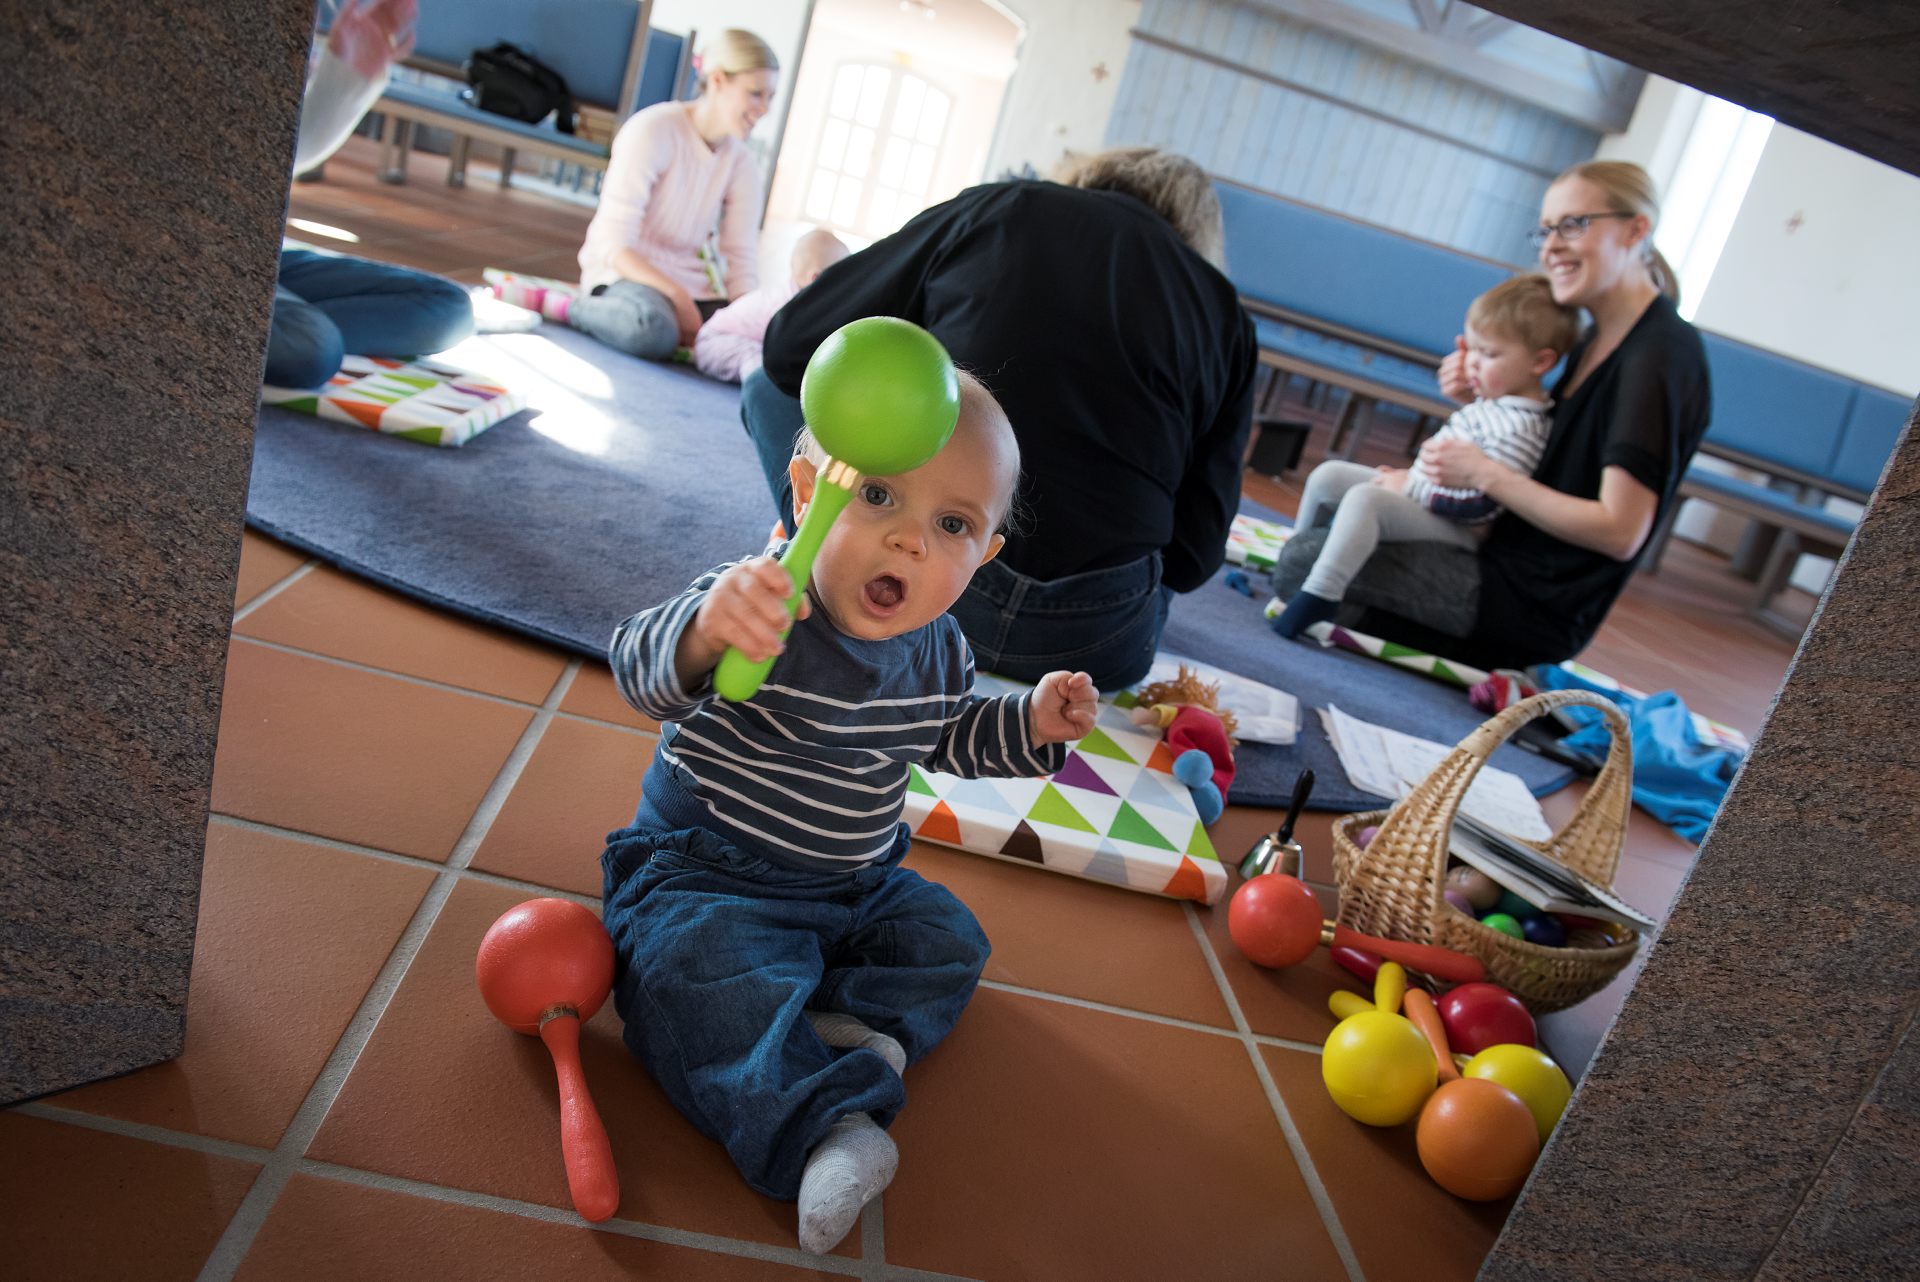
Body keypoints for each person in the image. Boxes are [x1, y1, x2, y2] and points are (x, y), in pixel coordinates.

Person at [599, 372, 1097, 1255]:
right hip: (706, 875)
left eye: (953, 525)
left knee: (948, 940)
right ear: (807, 494)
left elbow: (949, 737)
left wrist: (1031, 724)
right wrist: (705, 631)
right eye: (877, 496)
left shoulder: (940, 650)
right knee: (696, 973)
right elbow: (639, 671)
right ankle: (828, 1129)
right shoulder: (761, 599)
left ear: (984, 556)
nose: (910, 538)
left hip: (853, 886)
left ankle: (847, 1027)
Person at [745, 147, 1257, 690]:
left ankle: (828, 552)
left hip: (918, 586)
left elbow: (790, 345)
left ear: (1087, 177)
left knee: (764, 387)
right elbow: (1194, 557)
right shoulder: (1225, 313)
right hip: (1094, 644)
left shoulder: (1003, 207)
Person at [1268, 160, 1712, 669]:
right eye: (1546, 230)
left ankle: (1381, 621)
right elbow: (1550, 459)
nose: (1551, 247)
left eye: (1574, 224)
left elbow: (1619, 531)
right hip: (1498, 550)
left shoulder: (1658, 358)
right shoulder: (1598, 336)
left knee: (1304, 560)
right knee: (1332, 509)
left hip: (1525, 599)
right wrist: (1483, 401)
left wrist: (1483, 474)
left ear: (1636, 230)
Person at [1268, 274, 1578, 638]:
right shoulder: (1496, 403)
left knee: (1367, 500)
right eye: (1472, 349)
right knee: (1329, 476)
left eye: (1490, 354)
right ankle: (1294, 563)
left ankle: (1321, 593)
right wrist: (1411, 479)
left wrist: (1409, 488)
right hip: (1428, 497)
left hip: (1457, 526)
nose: (1473, 363)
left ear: (1540, 363)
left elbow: (1482, 507)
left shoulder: (1522, 426)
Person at [267, 0, 475, 389]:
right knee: (311, 348)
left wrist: (346, 75)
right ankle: (279, 326)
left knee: (448, 307)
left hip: (262, 255)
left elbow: (273, 161)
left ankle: (275, 324)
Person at [565, 28, 778, 360]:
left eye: (770, 97)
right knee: (652, 331)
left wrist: (749, 321)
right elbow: (612, 244)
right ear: (718, 80)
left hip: (692, 286)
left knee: (760, 345)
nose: (764, 108)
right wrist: (677, 298)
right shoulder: (653, 130)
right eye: (755, 93)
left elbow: (740, 256)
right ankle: (571, 307)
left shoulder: (743, 163)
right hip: (627, 276)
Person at [692, 228, 849, 383]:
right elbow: (785, 348)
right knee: (754, 358)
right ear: (815, 278)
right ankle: (760, 387)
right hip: (714, 341)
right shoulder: (785, 304)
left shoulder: (804, 301)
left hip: (741, 341)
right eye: (841, 281)